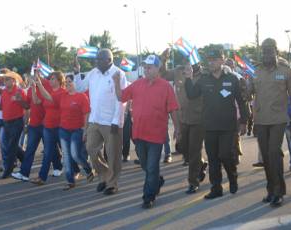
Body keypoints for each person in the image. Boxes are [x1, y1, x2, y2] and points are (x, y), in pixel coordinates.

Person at [113, 54, 179, 209]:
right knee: (145, 165)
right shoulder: (137, 84)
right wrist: (116, 82)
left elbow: (173, 109)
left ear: (158, 68)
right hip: (139, 134)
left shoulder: (165, 86)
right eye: (145, 67)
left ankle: (148, 197)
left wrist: (177, 128)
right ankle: (156, 180)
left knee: (151, 166)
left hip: (156, 135)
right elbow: (121, 97)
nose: (146, 70)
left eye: (150, 67)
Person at [185, 48, 249, 199]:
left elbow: (242, 101)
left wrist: (244, 122)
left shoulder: (232, 78)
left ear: (222, 60)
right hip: (209, 125)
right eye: (209, 60)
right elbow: (192, 95)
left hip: (228, 126)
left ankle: (232, 177)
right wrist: (188, 78)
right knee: (213, 158)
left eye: (214, 59)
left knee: (225, 155)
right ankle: (216, 188)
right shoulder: (204, 79)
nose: (211, 62)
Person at [249, 38, 291, 207]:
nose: (266, 54)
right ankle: (271, 189)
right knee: (266, 156)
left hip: (279, 120)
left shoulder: (286, 70)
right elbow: (252, 96)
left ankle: (278, 191)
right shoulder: (256, 71)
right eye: (264, 51)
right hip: (262, 120)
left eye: (270, 50)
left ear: (276, 52)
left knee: (273, 153)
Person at [74, 49, 127, 195]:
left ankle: (112, 184)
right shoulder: (93, 73)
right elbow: (80, 87)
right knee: (91, 149)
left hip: (111, 122)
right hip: (95, 119)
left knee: (113, 154)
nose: (96, 62)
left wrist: (116, 121)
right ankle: (103, 175)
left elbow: (121, 100)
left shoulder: (118, 74)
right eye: (96, 59)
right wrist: (77, 73)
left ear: (109, 60)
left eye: (99, 59)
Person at [159, 49, 208, 194]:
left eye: (191, 63)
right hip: (182, 118)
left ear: (197, 62)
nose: (188, 66)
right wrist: (163, 60)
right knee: (182, 148)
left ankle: (193, 182)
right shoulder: (178, 71)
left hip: (198, 119)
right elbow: (162, 74)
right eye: (185, 62)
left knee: (194, 150)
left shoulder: (204, 76)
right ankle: (201, 163)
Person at [0, 68, 29, 178]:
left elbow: (27, 106)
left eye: (7, 80)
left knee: (11, 146)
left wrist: (19, 100)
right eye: (4, 80)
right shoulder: (4, 92)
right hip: (6, 123)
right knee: (10, 146)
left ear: (13, 80)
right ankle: (25, 159)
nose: (5, 82)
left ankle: (9, 169)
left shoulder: (20, 91)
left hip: (17, 122)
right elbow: (1, 107)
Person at [57, 74, 94, 190]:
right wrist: (37, 84)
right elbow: (49, 96)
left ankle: (88, 169)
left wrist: (85, 130)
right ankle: (70, 180)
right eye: (66, 82)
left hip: (77, 130)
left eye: (70, 82)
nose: (67, 84)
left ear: (75, 84)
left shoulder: (82, 97)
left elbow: (87, 114)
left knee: (75, 154)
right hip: (63, 130)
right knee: (67, 156)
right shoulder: (62, 96)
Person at [29, 71, 65, 185]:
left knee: (68, 152)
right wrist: (34, 88)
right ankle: (42, 177)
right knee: (47, 153)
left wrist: (39, 84)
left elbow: (49, 98)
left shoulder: (62, 92)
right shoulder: (48, 91)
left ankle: (79, 170)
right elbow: (36, 101)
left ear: (59, 81)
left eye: (53, 79)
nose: (50, 80)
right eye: (50, 79)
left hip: (59, 127)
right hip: (48, 126)